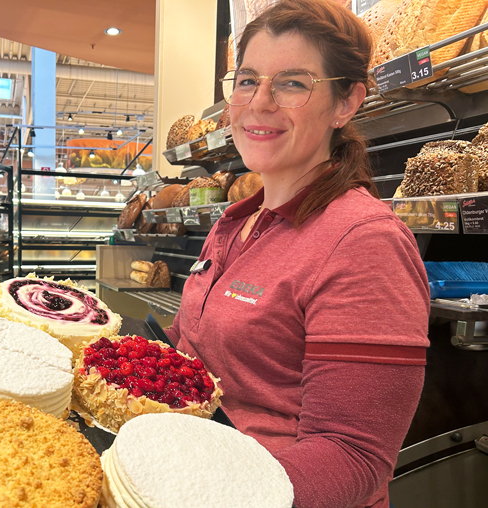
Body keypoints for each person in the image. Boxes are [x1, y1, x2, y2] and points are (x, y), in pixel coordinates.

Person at [164, 1, 429, 507]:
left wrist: (209, 494)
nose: (260, 103)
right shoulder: (234, 222)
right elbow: (186, 352)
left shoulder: (364, 243)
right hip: (187, 471)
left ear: (346, 102)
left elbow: (352, 456)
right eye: (247, 81)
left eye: (292, 83)